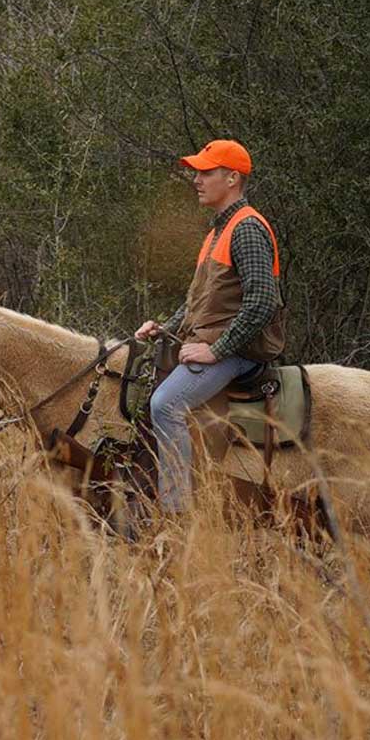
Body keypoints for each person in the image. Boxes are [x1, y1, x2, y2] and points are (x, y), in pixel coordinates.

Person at [134, 138, 284, 514]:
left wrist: (216, 350)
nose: (196, 180)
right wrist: (164, 327)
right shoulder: (218, 231)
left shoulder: (247, 228)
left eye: (206, 172)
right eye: (196, 172)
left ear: (232, 178)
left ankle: (175, 511)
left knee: (165, 405)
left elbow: (263, 301)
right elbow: (199, 302)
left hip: (241, 352)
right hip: (215, 342)